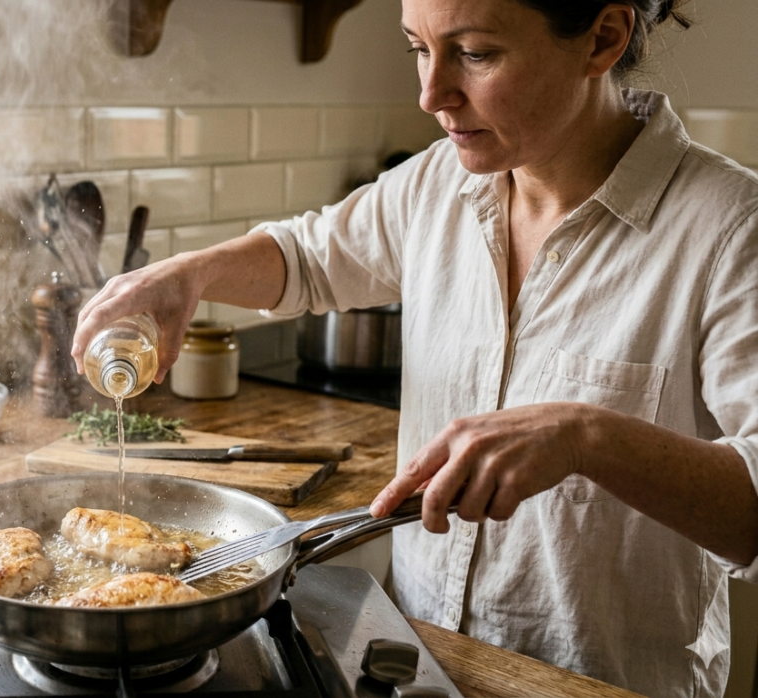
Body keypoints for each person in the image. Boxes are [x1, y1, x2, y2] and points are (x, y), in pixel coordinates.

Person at [70, 0, 758, 695]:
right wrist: (187, 274)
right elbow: (308, 257)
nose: (431, 95)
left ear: (602, 39)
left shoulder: (732, 231)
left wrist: (586, 436)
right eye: (417, 50)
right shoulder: (440, 184)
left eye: (477, 54)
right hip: (416, 660)